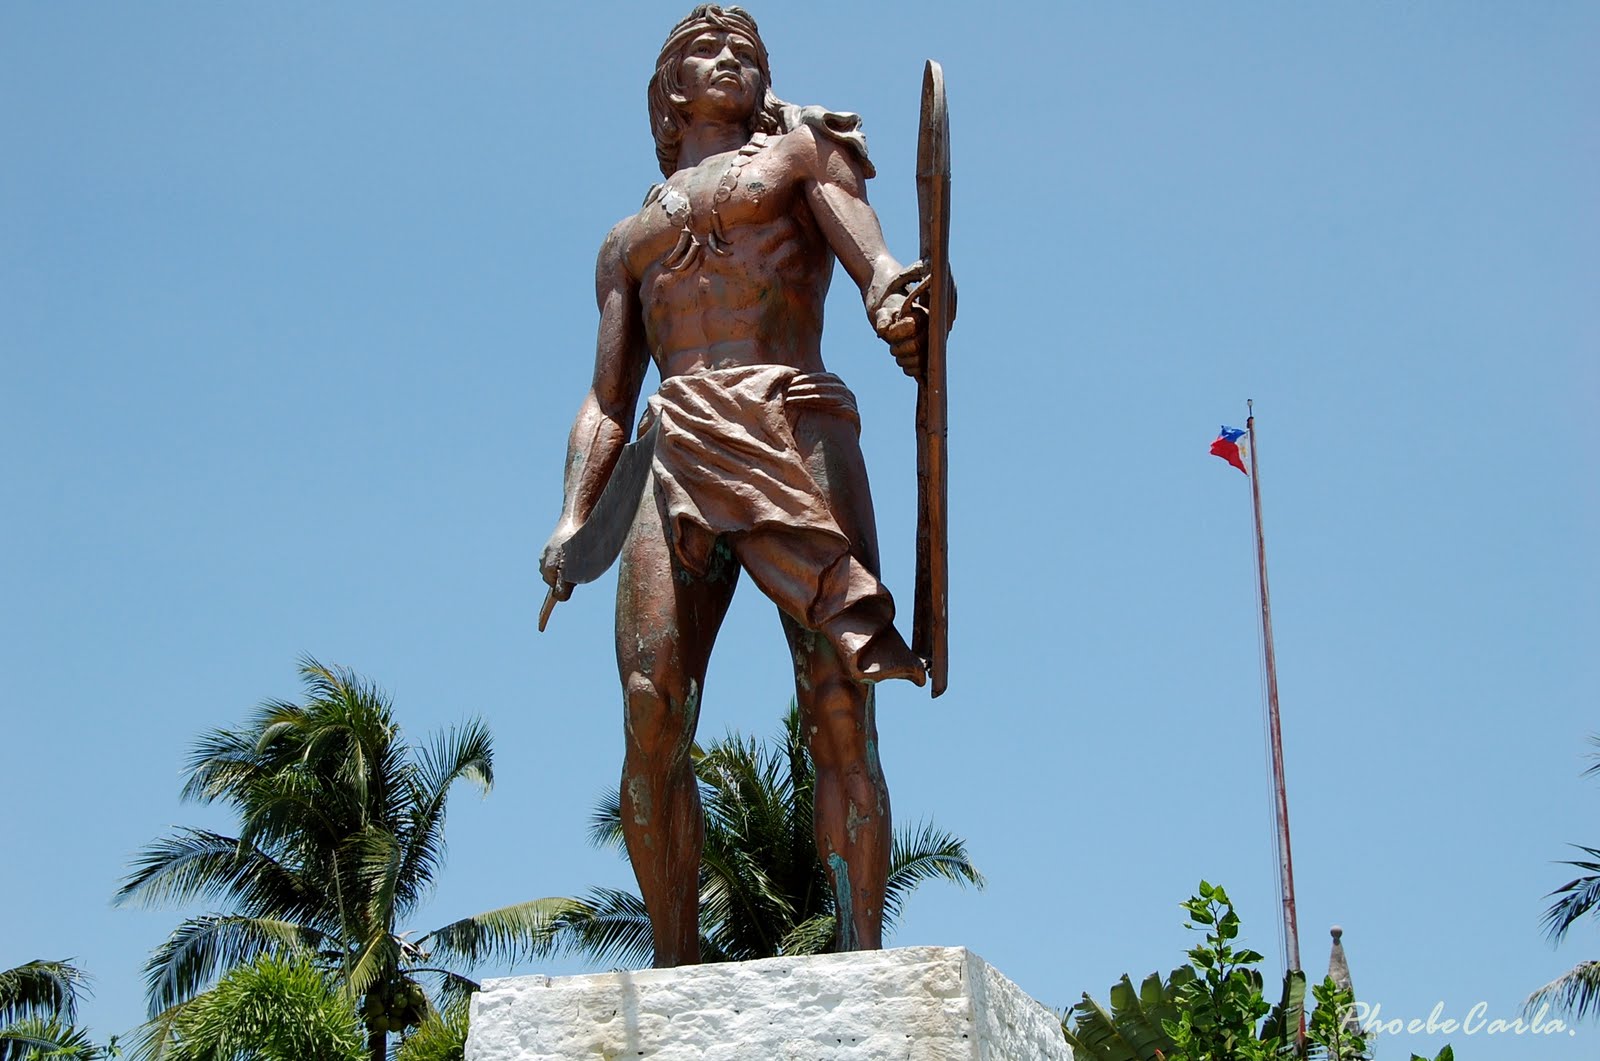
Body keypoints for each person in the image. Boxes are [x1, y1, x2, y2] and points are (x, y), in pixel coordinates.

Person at [540, 4, 931, 966]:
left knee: (838, 696)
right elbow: (606, 399)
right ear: (669, 91)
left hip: (793, 420)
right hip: (672, 448)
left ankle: (859, 952)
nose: (729, 61)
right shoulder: (625, 242)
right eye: (706, 51)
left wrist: (904, 302)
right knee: (649, 703)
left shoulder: (800, 156)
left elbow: (881, 267)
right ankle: (676, 960)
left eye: (746, 53)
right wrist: (570, 515)